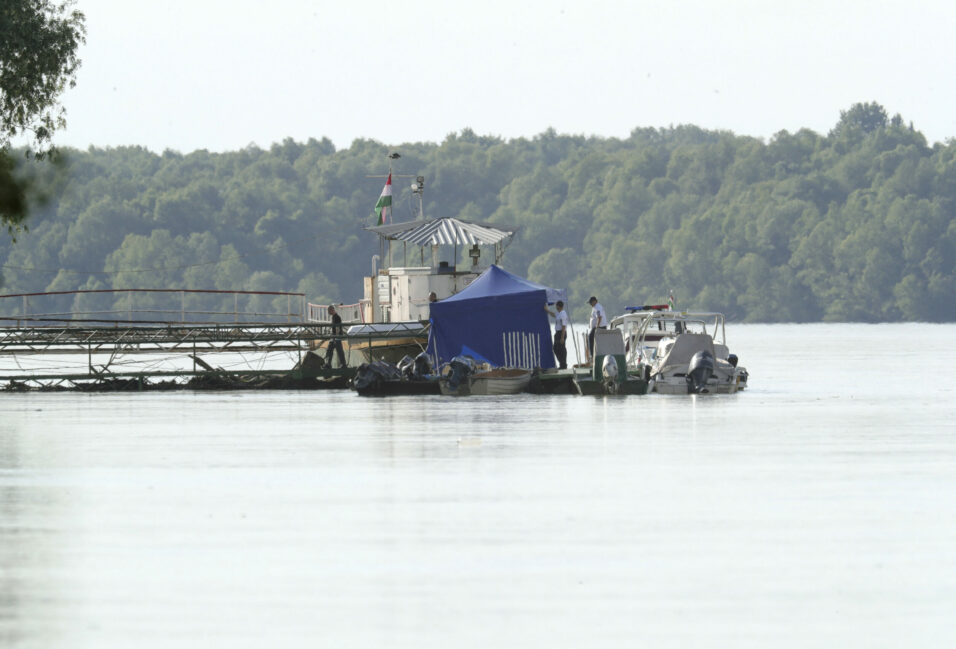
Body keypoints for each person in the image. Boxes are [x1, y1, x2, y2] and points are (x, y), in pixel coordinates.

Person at [546, 300, 570, 369]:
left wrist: (562, 337)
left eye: (556, 306)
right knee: (556, 349)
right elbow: (553, 314)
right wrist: (547, 310)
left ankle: (563, 365)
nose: (555, 307)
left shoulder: (563, 314)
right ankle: (562, 363)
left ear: (558, 306)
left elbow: (564, 326)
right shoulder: (559, 313)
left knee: (561, 349)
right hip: (557, 333)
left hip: (561, 333)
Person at [587, 296, 606, 360]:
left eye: (591, 303)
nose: (590, 304)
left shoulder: (597, 307)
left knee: (590, 337)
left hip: (600, 326)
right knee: (596, 341)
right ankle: (594, 355)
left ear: (594, 301)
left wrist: (597, 327)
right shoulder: (596, 307)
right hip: (598, 326)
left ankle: (593, 355)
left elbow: (599, 317)